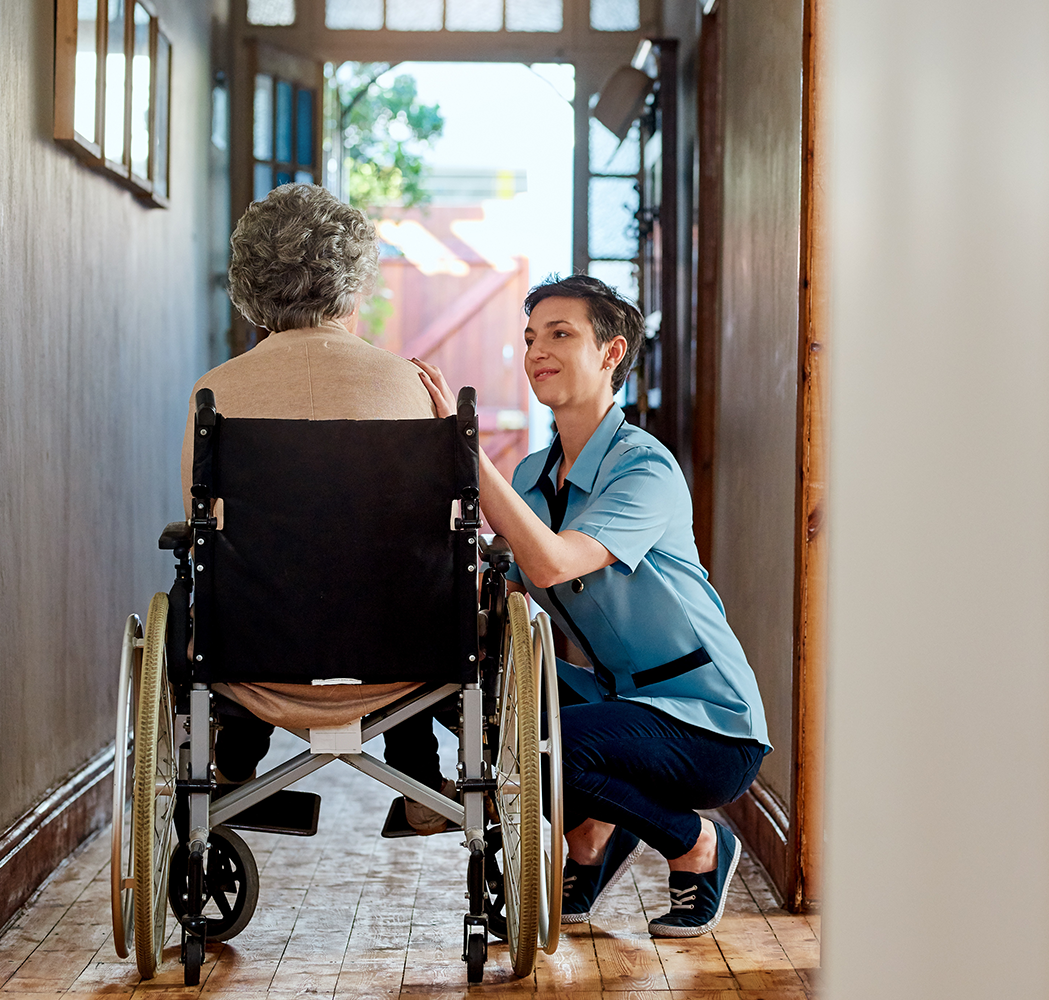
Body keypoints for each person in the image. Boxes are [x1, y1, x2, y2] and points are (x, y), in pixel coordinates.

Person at [411, 275, 770, 938]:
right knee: (479, 699)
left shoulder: (645, 470)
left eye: (559, 334)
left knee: (541, 745)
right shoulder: (532, 477)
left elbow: (551, 561)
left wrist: (465, 451)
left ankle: (696, 845)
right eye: (529, 338)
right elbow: (514, 590)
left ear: (612, 354)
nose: (535, 351)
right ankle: (591, 837)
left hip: (709, 724)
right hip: (621, 703)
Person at [182, 183, 456, 835]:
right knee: (403, 575)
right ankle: (419, 781)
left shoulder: (215, 393)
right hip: (402, 655)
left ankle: (233, 770)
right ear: (356, 281)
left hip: (254, 655)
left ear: (251, 284)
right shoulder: (413, 387)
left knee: (242, 571)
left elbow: (203, 525)